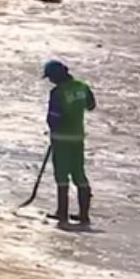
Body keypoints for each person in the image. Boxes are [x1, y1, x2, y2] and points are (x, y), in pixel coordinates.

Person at [43, 60, 95, 225]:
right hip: (78, 137)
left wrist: (53, 131)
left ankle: (62, 213)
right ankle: (84, 215)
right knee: (79, 175)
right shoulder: (82, 86)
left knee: (62, 177)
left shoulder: (57, 93)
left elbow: (53, 118)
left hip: (61, 139)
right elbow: (91, 105)